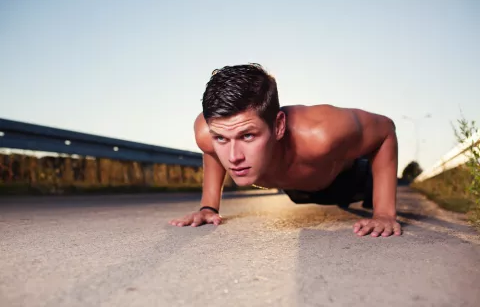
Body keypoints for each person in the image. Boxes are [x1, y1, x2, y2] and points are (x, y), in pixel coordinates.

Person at [169, 63, 402, 237]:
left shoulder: (321, 133)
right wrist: (209, 207)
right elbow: (211, 152)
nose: (233, 158)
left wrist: (384, 213)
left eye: (247, 136)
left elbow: (385, 131)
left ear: (279, 126)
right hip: (293, 187)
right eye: (221, 138)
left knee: (368, 194)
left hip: (347, 181)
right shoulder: (207, 132)